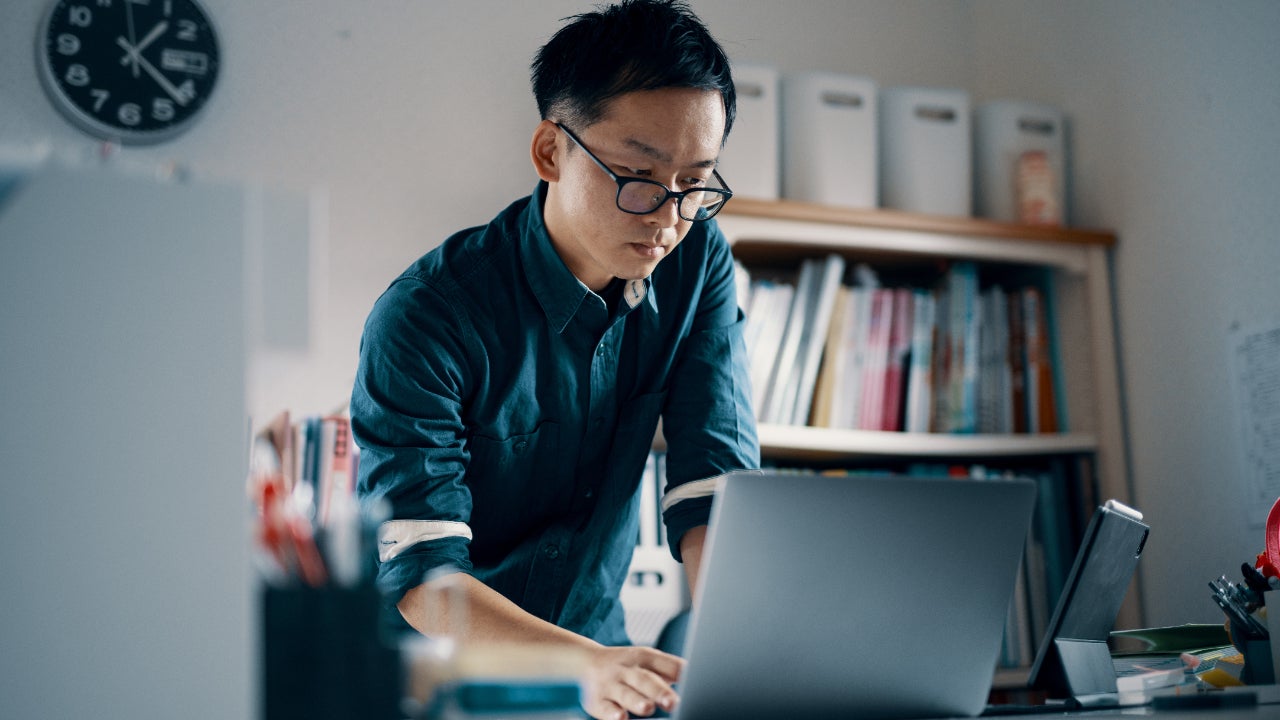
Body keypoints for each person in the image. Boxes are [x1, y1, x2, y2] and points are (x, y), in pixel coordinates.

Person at [350, 1, 759, 717]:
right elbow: (421, 575)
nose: (668, 216)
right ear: (550, 152)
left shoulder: (697, 261)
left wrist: (747, 655)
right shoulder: (427, 316)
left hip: (600, 663)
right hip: (444, 681)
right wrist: (585, 666)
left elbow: (711, 480)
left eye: (696, 182)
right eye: (638, 174)